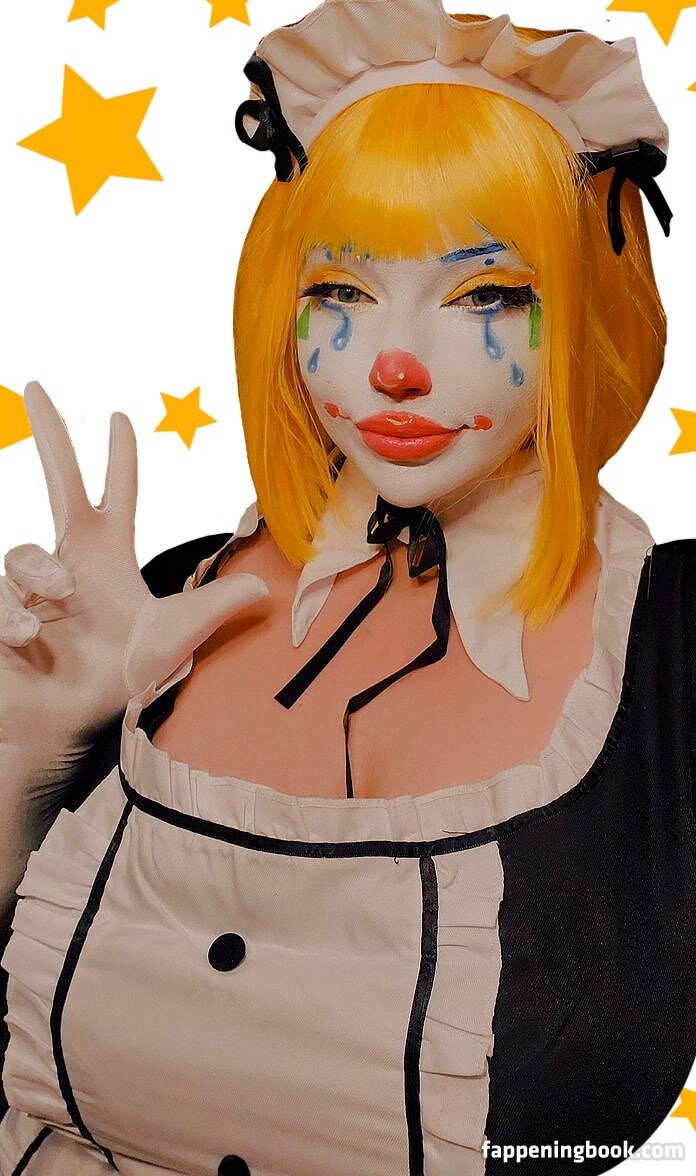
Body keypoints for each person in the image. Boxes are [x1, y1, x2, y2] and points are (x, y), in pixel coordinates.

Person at [0, 1, 694, 1173]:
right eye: (343, 290)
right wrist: (19, 757)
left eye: (486, 294)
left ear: (587, 305)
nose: (394, 365)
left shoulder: (669, 652)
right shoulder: (170, 600)